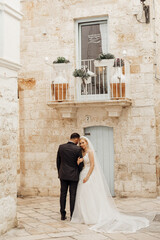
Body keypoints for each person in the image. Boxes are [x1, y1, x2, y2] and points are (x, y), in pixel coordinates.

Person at [71, 136, 149, 233]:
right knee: (83, 196)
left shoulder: (90, 152)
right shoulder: (82, 153)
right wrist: (79, 162)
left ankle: (92, 216)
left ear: (86, 142)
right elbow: (82, 165)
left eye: (83, 142)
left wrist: (87, 176)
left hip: (88, 175)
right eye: (80, 143)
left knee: (90, 195)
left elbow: (92, 165)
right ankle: (84, 216)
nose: (81, 144)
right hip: (82, 173)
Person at [56, 133, 84, 220]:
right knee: (73, 195)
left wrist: (60, 172)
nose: (78, 143)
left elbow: (58, 161)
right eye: (78, 141)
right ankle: (72, 215)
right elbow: (80, 164)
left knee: (63, 194)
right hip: (73, 175)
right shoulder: (77, 149)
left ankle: (62, 214)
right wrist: (79, 172)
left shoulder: (61, 147)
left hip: (63, 174)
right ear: (76, 139)